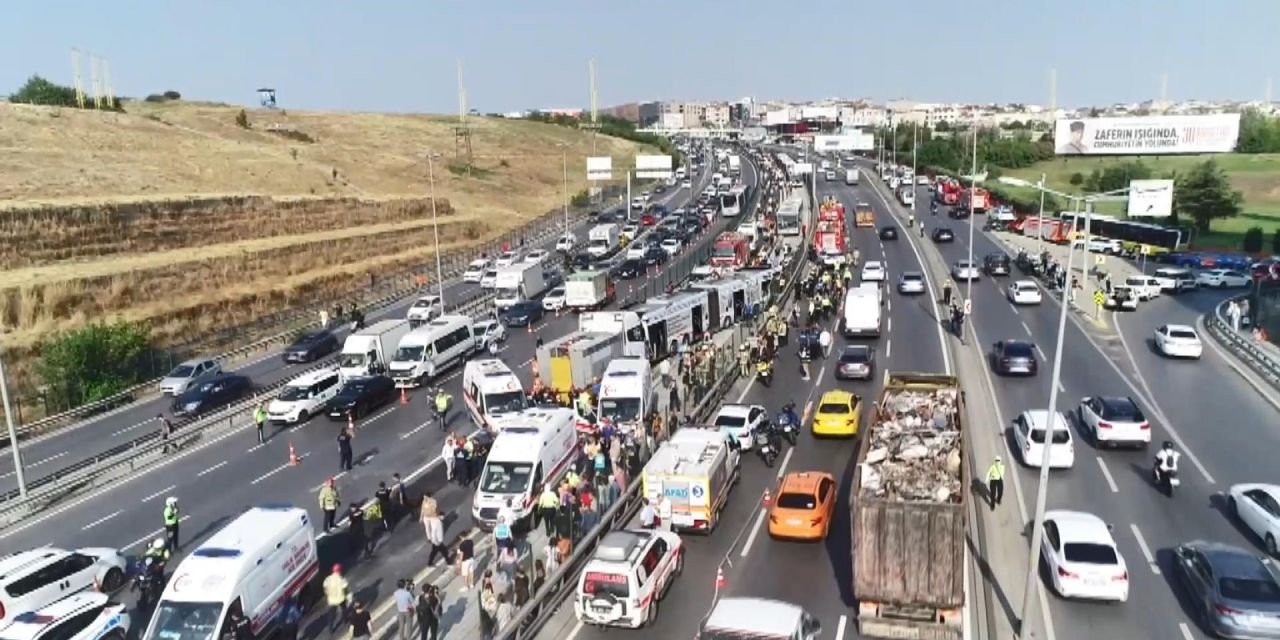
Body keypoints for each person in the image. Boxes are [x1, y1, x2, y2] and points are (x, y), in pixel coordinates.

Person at [324, 565, 352, 632]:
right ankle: (345, 620)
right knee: (344, 609)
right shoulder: (342, 579)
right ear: (339, 571)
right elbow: (346, 590)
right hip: (340, 598)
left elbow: (325, 587)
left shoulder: (328, 579)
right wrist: (350, 599)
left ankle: (330, 628)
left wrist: (328, 595)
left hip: (332, 600)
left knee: (331, 614)